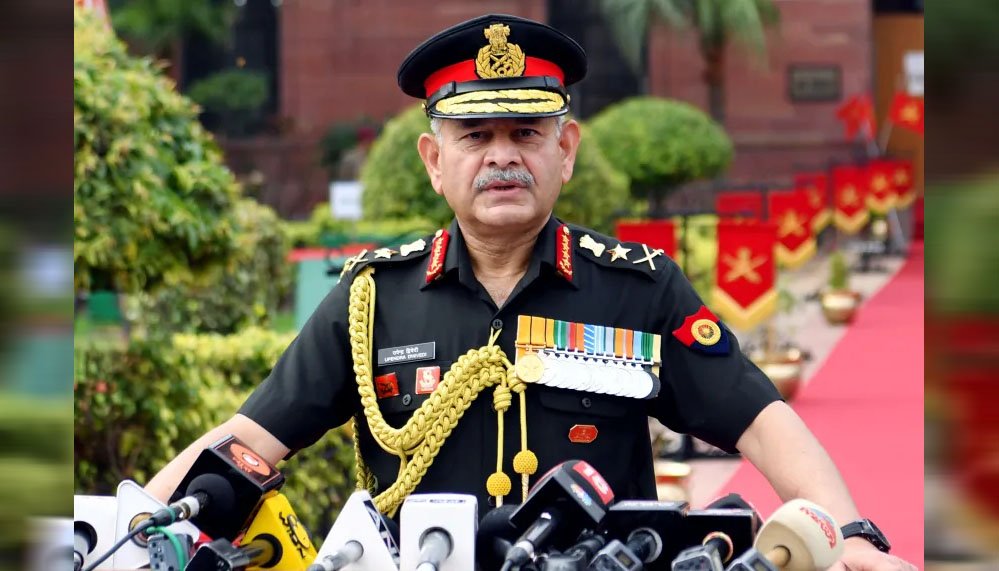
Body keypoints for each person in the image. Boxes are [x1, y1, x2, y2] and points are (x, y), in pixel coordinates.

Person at [146, 14, 915, 570]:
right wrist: (138, 522)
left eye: (525, 134)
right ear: (433, 161)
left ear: (565, 150)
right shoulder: (371, 299)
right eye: (475, 136)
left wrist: (848, 535)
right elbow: (248, 439)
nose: (501, 157)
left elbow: (759, 421)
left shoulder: (637, 289)